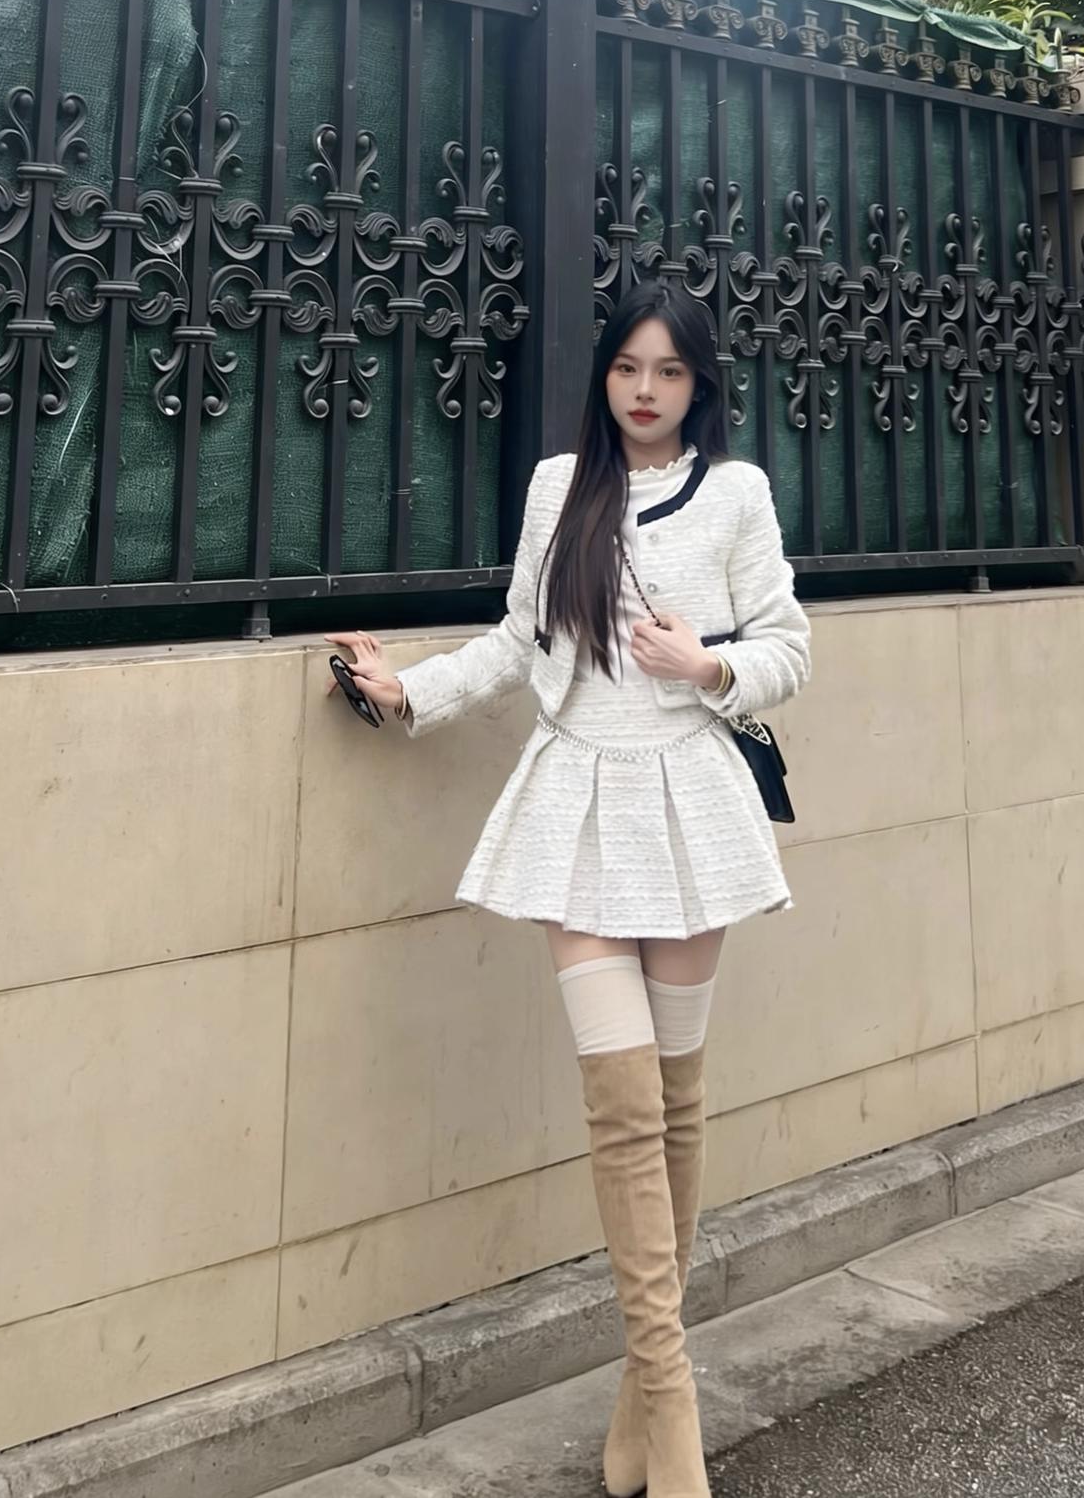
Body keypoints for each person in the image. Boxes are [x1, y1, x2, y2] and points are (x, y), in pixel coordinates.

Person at [325, 280, 811, 1498]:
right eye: (626, 367)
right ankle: (673, 1399)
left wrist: (704, 663)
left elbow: (788, 646)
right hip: (576, 802)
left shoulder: (736, 493)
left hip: (688, 802)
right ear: (603, 375)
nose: (644, 390)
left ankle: (638, 1395)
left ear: (698, 384)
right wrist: (408, 690)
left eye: (668, 371)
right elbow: (515, 641)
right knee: (622, 1101)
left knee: (676, 1103)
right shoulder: (559, 486)